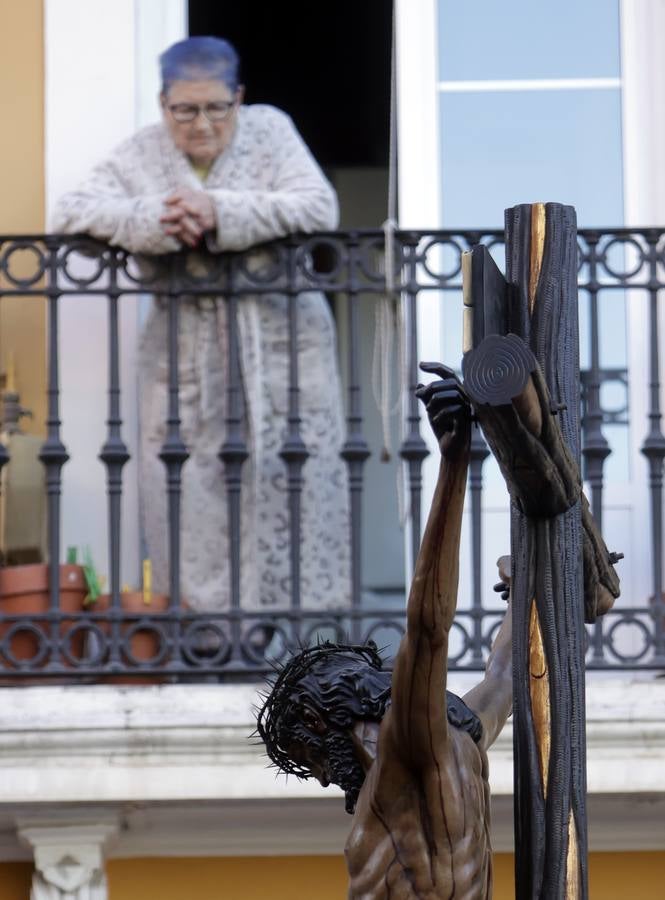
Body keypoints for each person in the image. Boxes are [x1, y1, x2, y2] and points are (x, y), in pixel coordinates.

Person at [52, 37, 350, 621]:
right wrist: (156, 216)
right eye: (185, 110)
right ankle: (205, 636)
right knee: (186, 491)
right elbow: (71, 210)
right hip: (184, 350)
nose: (203, 124)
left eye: (217, 108)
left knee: (290, 478)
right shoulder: (140, 152)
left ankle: (294, 638)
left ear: (239, 98)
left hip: (282, 342)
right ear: (163, 105)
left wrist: (220, 210)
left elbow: (318, 206)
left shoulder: (271, 130)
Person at [257, 364, 513, 899]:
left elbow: (428, 628)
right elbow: (505, 675)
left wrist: (454, 463)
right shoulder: (463, 737)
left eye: (313, 760)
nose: (327, 779)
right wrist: (528, 590)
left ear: (318, 719)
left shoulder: (408, 747)